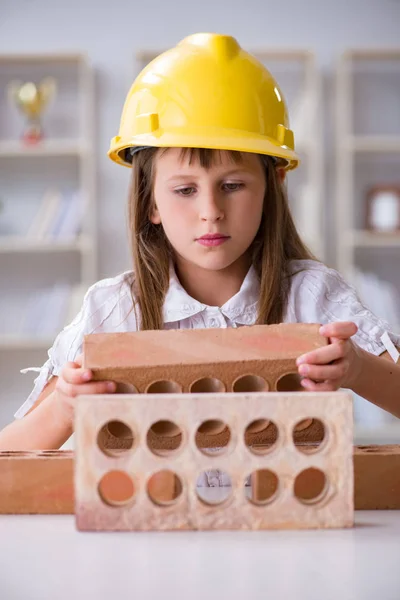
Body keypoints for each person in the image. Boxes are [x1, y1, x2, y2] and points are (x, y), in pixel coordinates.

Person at [0, 33, 399, 453]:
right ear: (149, 200)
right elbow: (9, 454)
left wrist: (357, 370)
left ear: (273, 185)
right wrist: (64, 407)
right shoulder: (113, 309)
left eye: (232, 184)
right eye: (185, 190)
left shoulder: (312, 296)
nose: (211, 210)